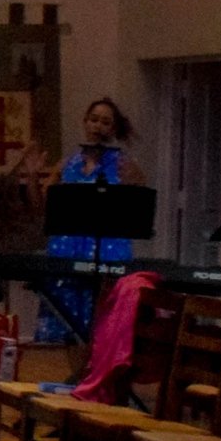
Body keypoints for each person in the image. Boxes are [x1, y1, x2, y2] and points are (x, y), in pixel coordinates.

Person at [33, 97, 146, 342]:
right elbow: (42, 208)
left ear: (113, 129)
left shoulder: (124, 165)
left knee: (102, 320)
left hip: (107, 249)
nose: (98, 126)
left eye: (105, 122)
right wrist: (31, 176)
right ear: (85, 122)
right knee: (64, 316)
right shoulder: (67, 164)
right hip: (68, 249)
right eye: (93, 120)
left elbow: (136, 208)